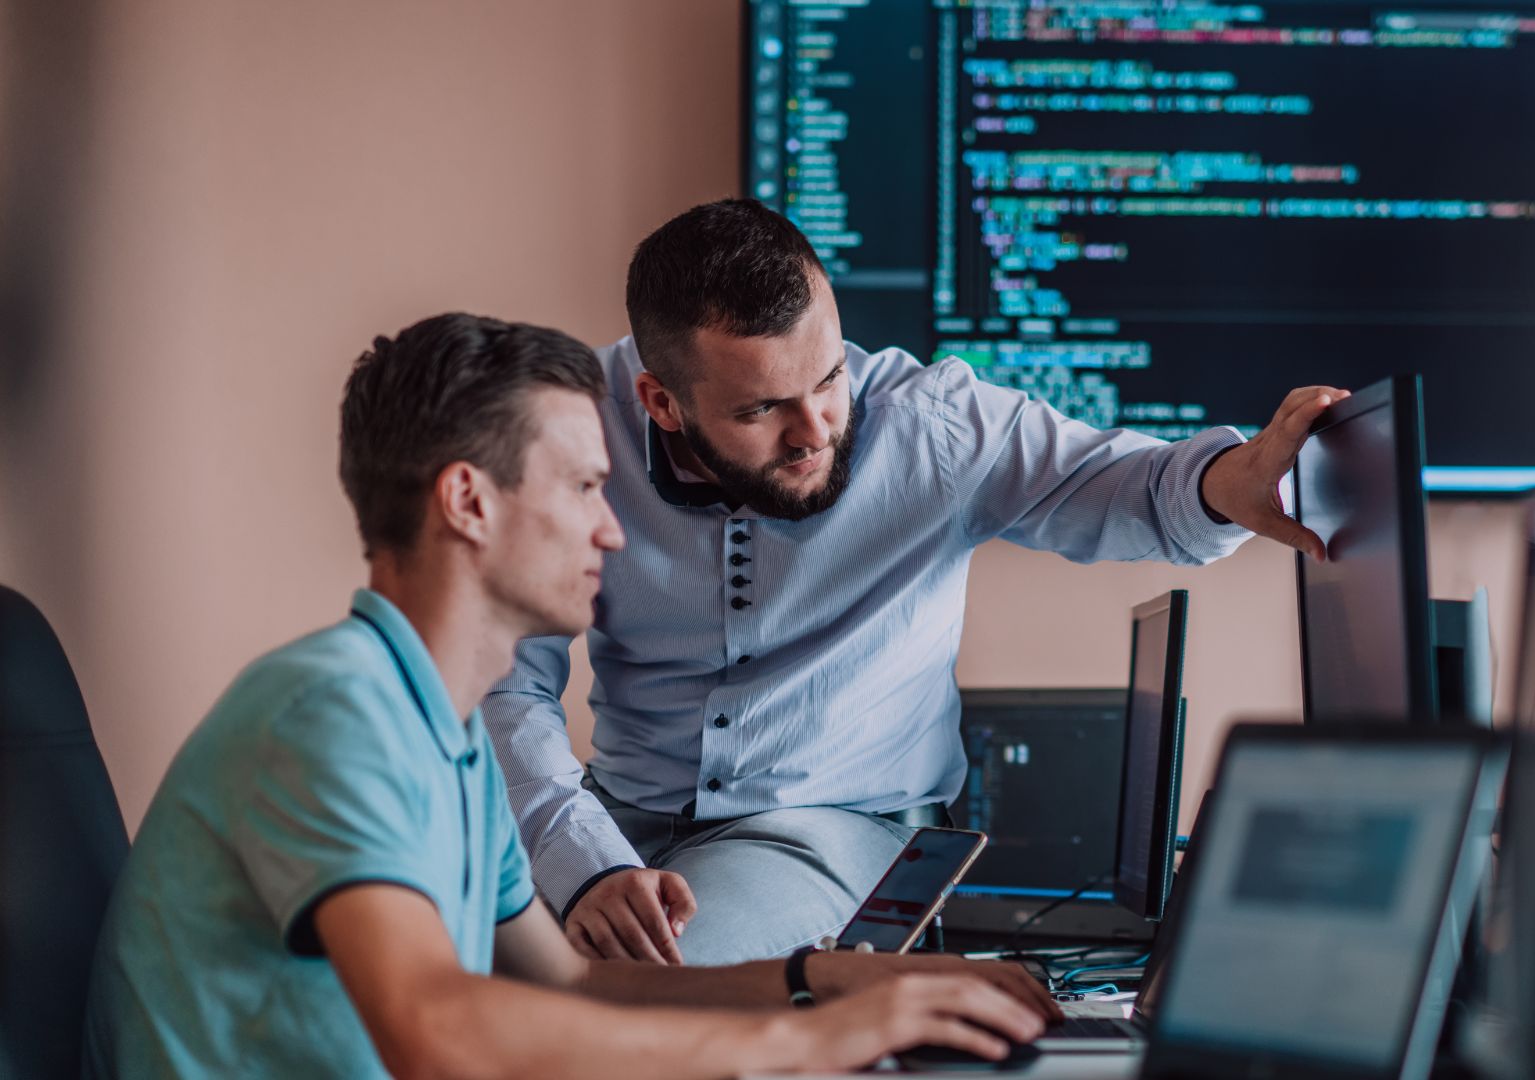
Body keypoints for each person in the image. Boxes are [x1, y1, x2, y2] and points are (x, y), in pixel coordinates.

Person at [81, 313, 1056, 1078]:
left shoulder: (445, 736)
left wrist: (819, 981)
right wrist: (806, 1044)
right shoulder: (334, 713)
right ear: (469, 501)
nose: (613, 532)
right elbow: (435, 1036)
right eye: (584, 489)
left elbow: (582, 987)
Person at [483, 198, 1350, 966]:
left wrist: (1231, 484)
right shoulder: (566, 434)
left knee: (657, 987)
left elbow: (1137, 490)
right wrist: (583, 859)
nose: (814, 429)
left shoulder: (932, 423)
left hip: (828, 830)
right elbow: (505, 680)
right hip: (610, 813)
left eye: (828, 379)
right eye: (760, 410)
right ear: (661, 402)